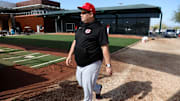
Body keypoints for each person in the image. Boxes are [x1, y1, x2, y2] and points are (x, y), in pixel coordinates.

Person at [66, 2, 112, 101]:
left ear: (91, 14)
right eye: (81, 12)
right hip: (80, 62)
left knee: (87, 89)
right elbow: (75, 41)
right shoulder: (80, 26)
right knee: (82, 83)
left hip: (93, 62)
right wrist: (69, 55)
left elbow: (104, 47)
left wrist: (108, 65)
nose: (80, 14)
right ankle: (98, 88)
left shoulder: (99, 28)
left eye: (83, 12)